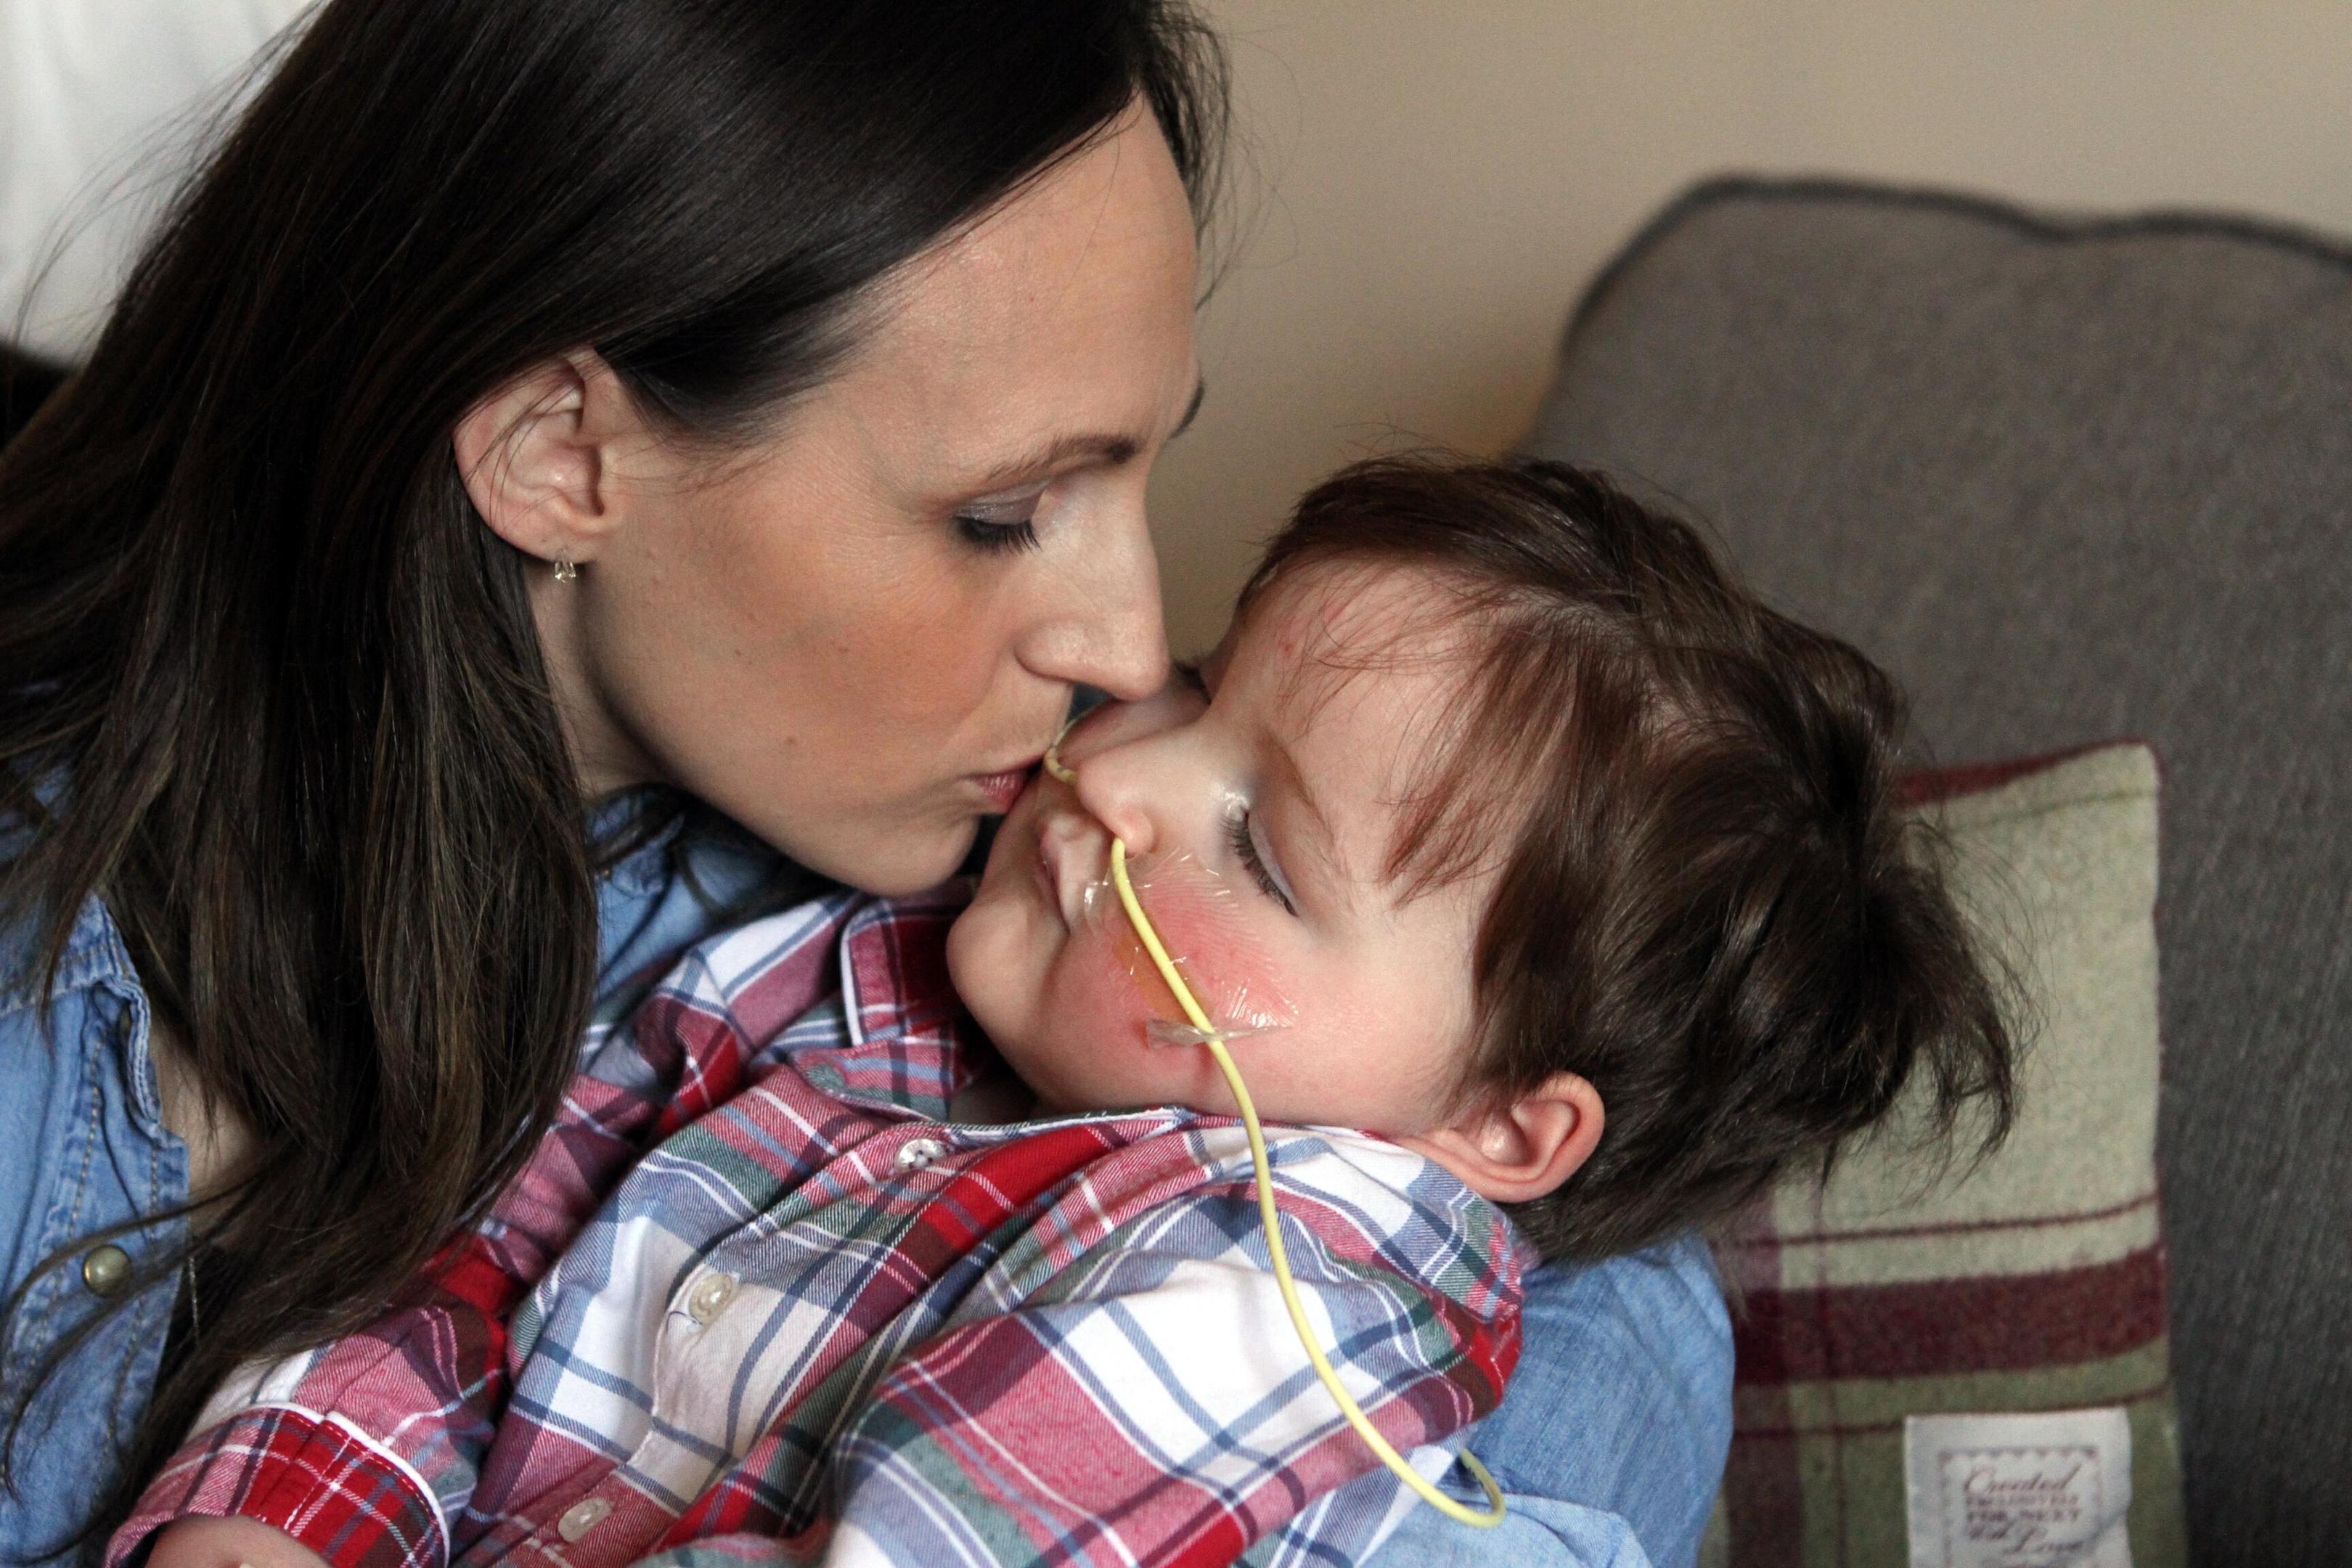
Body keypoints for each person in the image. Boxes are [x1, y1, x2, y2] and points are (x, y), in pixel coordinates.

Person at [118, 458, 2014, 1568]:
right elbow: (463, 1272)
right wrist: (274, 1510)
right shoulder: (827, 983)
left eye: (1262, 856)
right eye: (1197, 696)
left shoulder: (1304, 1274)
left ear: (1496, 1126)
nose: (1121, 781)